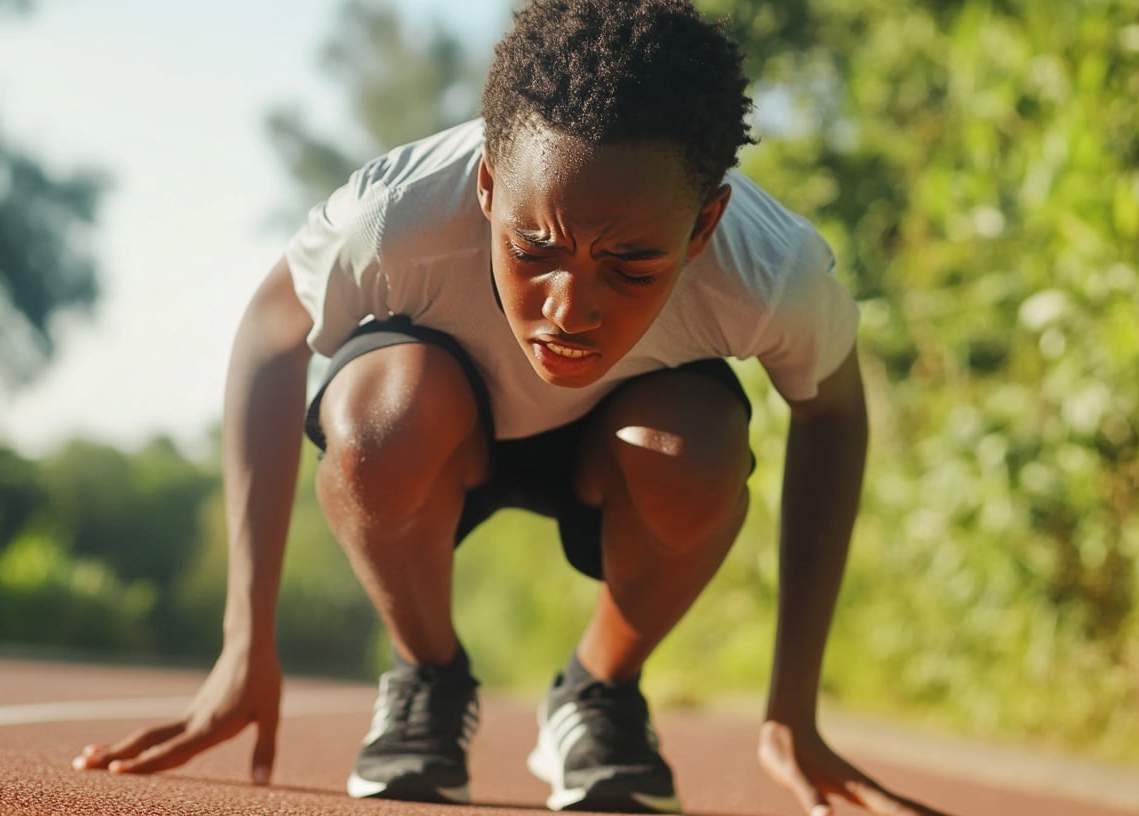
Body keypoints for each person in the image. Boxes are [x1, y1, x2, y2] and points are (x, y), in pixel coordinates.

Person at [75, 2, 950, 814]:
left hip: (625, 443)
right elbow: (273, 330)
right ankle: (426, 676)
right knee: (381, 424)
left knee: (698, 453)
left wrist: (792, 708)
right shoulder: (394, 217)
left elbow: (832, 410)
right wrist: (244, 641)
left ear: (703, 227)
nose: (569, 310)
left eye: (632, 267)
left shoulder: (771, 273)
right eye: (535, 249)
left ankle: (597, 693)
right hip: (436, 424)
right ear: (489, 188)